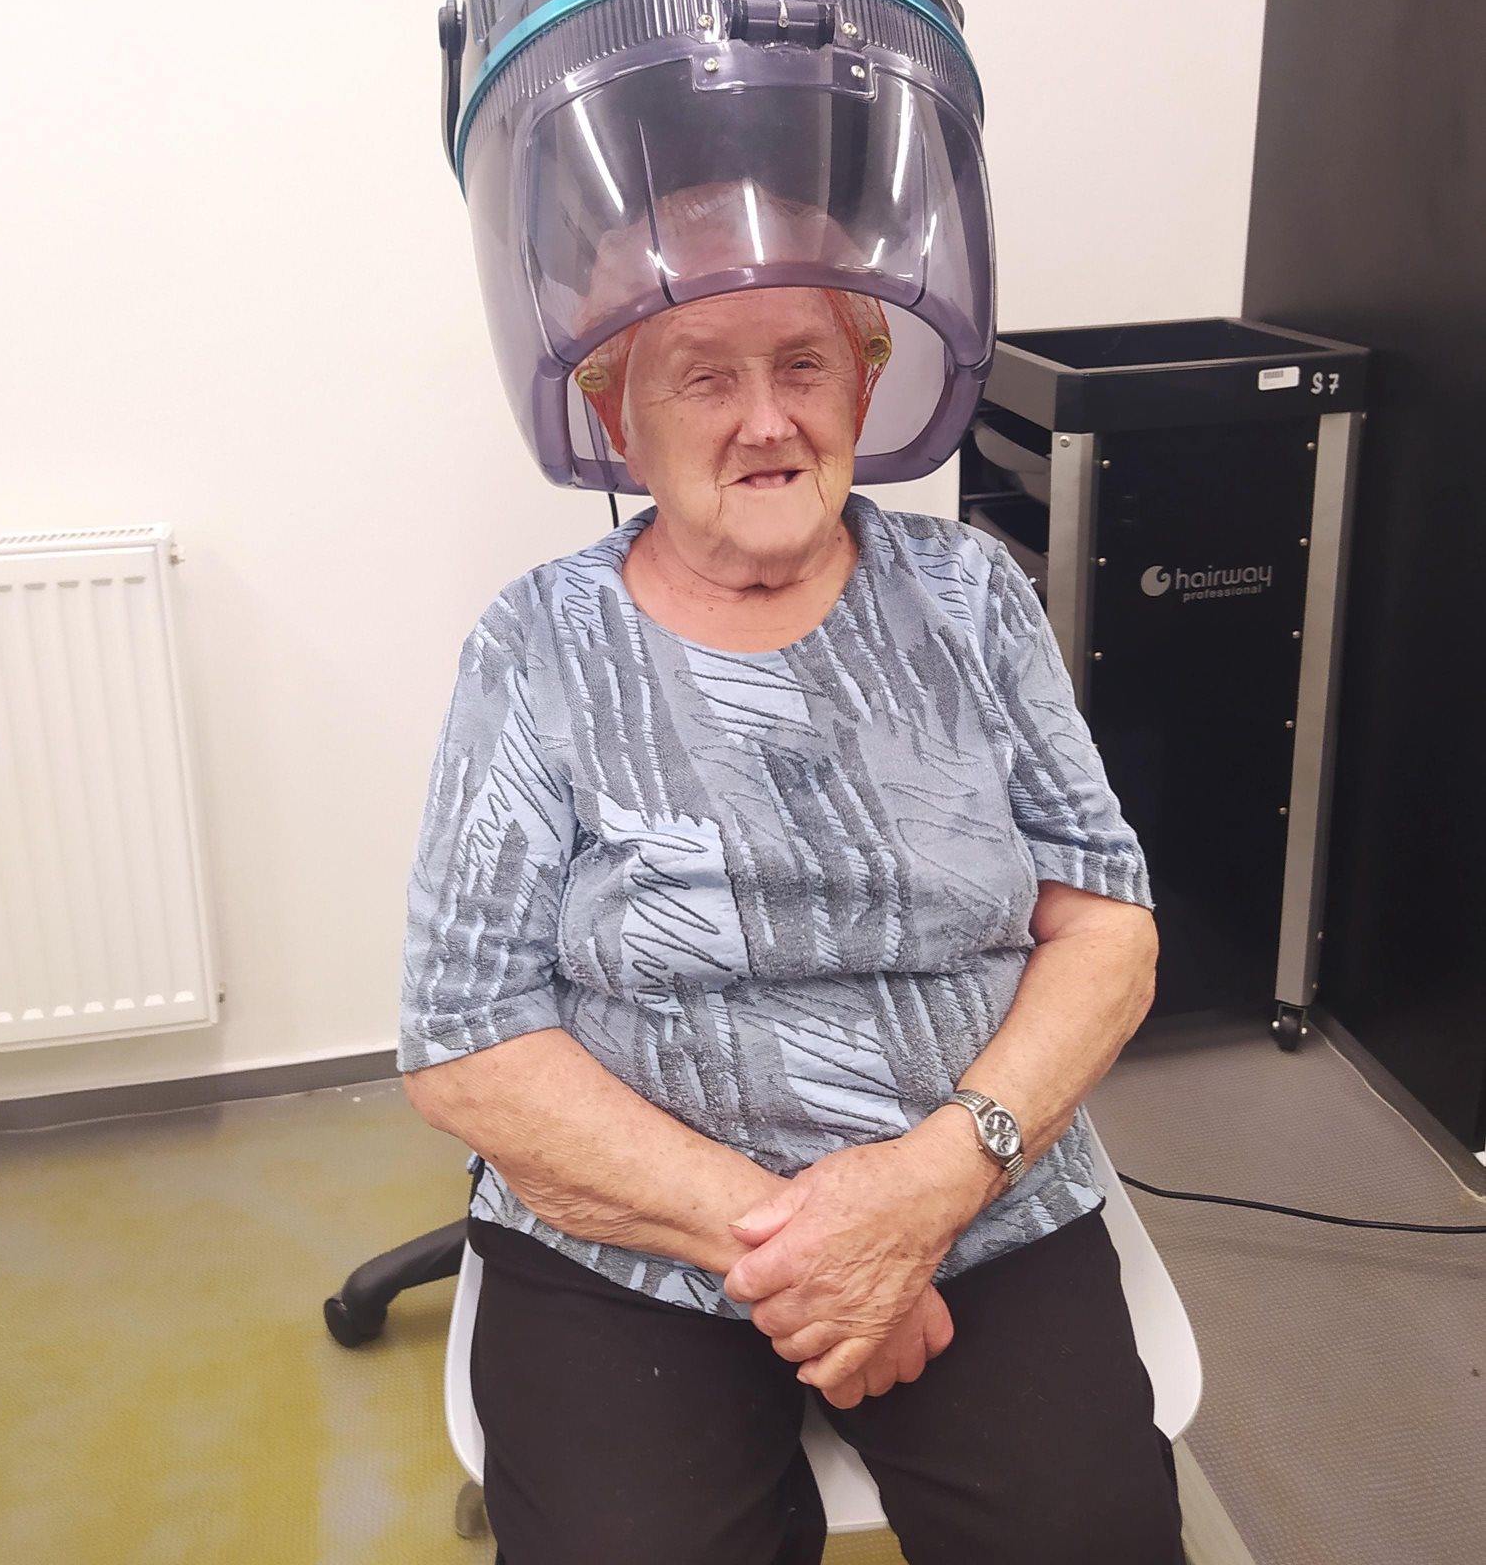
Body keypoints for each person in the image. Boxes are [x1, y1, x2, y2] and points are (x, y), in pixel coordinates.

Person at [398, 185, 1184, 1565]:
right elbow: (464, 1037)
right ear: (617, 416)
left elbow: (1106, 923)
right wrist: (820, 1247)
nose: (768, 421)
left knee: (1088, 1536)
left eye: (805, 365)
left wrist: (926, 1191)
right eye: (706, 376)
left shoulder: (970, 597)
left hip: (975, 1200)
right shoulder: (538, 644)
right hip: (629, 1241)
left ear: (863, 389)